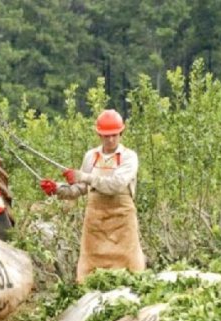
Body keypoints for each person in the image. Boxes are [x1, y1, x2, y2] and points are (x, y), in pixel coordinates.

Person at [40, 109, 145, 282]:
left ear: (121, 133)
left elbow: (116, 184)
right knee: (90, 270)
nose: (110, 139)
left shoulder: (129, 157)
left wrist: (83, 176)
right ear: (99, 135)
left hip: (122, 221)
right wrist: (57, 189)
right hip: (95, 221)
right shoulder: (91, 156)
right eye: (106, 136)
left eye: (114, 135)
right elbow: (80, 189)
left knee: (130, 268)